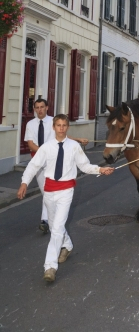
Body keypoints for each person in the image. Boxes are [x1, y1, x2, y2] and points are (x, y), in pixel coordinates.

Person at [17, 114, 114, 283]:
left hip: (66, 191)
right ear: (53, 127)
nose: (61, 128)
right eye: (58, 125)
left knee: (56, 229)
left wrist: (100, 169)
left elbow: (84, 166)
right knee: (56, 225)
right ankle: (67, 245)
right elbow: (33, 166)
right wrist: (24, 182)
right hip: (49, 191)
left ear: (67, 127)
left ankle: (50, 267)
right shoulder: (46, 147)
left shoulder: (74, 147)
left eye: (64, 125)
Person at [24, 98, 89, 234]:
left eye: (42, 107)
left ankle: (45, 220)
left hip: (53, 160)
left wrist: (77, 140)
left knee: (47, 190)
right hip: (38, 160)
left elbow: (62, 135)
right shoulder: (30, 124)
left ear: (47, 107)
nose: (40, 110)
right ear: (34, 109)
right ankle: (50, 220)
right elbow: (30, 144)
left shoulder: (53, 121)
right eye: (37, 107)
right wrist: (44, 153)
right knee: (45, 190)